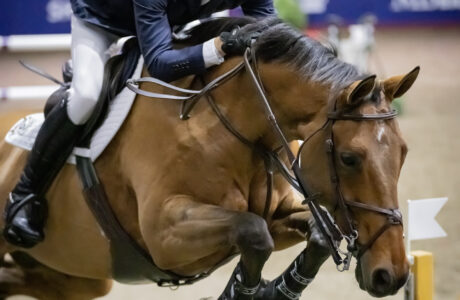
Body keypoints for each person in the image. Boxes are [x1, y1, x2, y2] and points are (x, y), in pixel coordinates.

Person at [3, 0, 275, 248]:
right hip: (103, 20)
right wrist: (220, 46)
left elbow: (271, 32)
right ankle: (25, 194)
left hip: (168, 21)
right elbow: (159, 64)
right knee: (86, 96)